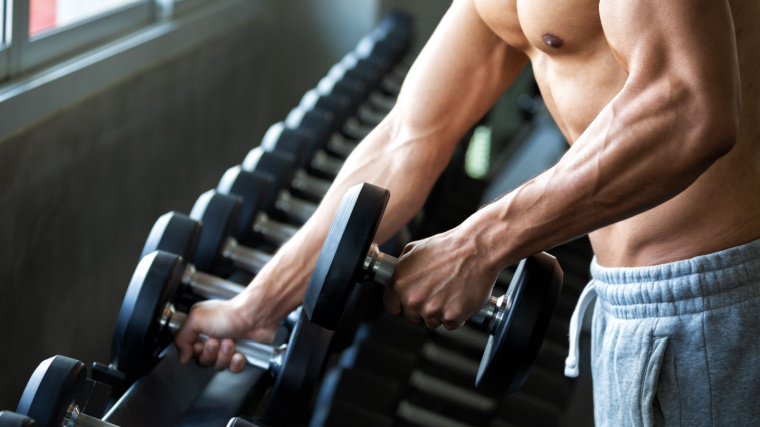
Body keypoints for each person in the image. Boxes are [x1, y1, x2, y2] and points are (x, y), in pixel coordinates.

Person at [175, 0, 760, 424]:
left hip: (719, 304)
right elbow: (407, 140)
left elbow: (687, 107)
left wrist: (475, 247)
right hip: (627, 303)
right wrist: (258, 306)